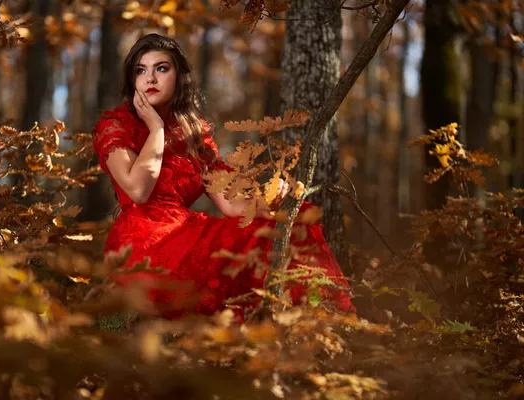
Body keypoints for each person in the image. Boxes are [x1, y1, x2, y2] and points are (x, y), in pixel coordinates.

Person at [93, 33, 354, 319]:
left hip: (184, 233)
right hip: (142, 246)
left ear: (179, 77)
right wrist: (156, 129)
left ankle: (328, 321)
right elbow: (139, 191)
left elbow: (231, 204)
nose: (150, 79)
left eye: (162, 68)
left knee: (291, 223)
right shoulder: (116, 124)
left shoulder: (195, 136)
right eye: (140, 70)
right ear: (132, 80)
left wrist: (271, 202)